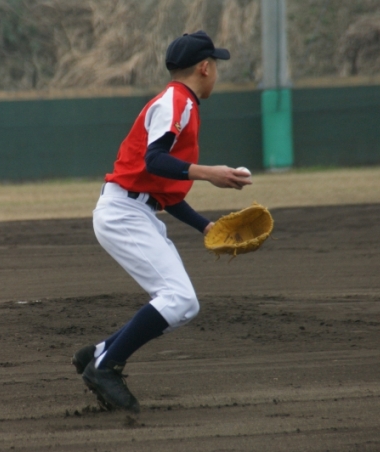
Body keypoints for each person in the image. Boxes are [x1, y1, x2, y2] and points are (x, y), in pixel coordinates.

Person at [71, 31, 252, 413]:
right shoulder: (176, 101)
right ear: (204, 68)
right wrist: (210, 173)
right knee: (179, 298)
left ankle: (99, 353)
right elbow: (155, 160)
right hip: (124, 213)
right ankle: (105, 367)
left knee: (184, 304)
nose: (216, 73)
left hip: (135, 211)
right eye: (215, 65)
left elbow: (165, 192)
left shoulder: (180, 104)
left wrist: (206, 226)